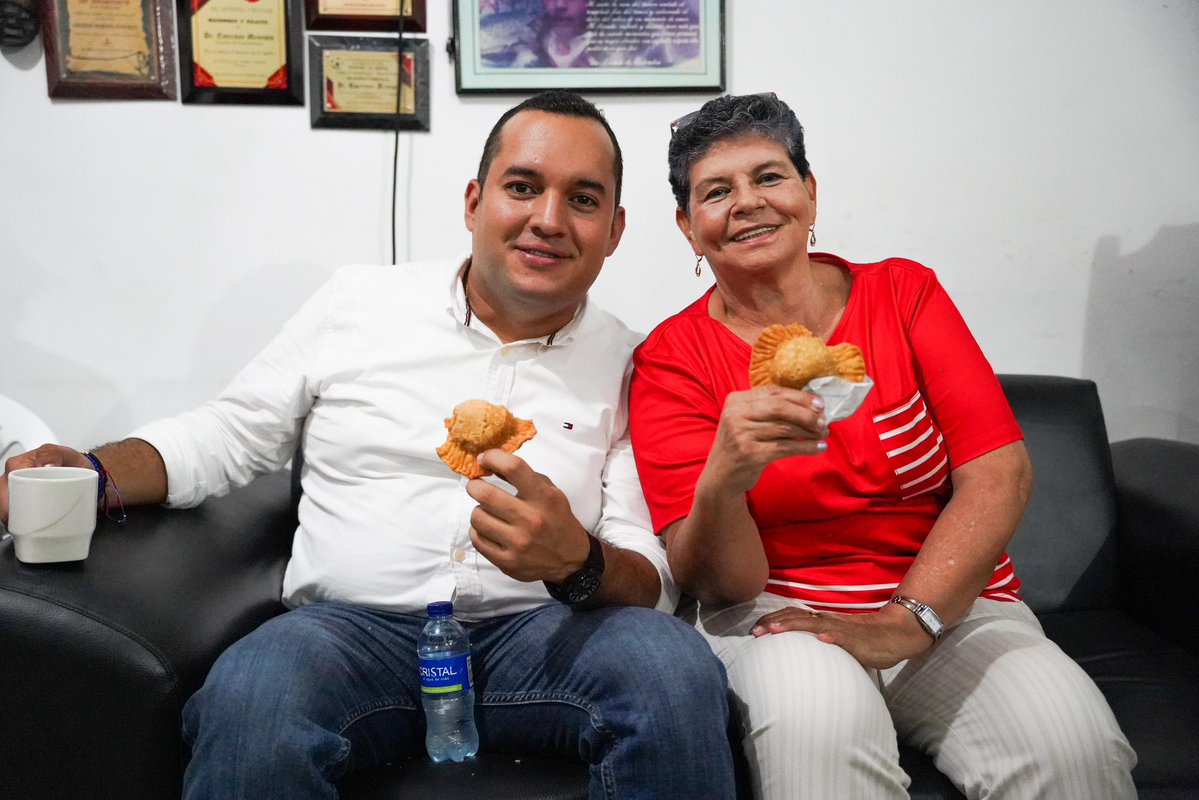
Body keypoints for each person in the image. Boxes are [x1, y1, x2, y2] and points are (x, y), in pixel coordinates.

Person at [0, 91, 737, 800]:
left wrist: (577, 563)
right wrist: (93, 471)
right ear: (474, 201)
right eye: (522, 186)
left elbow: (651, 577)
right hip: (350, 636)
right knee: (257, 692)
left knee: (668, 669)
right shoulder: (357, 306)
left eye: (582, 199)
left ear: (614, 230)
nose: (548, 219)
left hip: (544, 639)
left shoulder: (638, 363)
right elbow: (228, 433)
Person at [628, 92, 1136, 800]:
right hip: (776, 614)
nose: (746, 202)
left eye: (769, 176)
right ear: (688, 228)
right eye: (716, 191)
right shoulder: (670, 359)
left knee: (1069, 742)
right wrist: (725, 477)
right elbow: (723, 585)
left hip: (951, 606)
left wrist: (908, 621)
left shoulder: (903, 294)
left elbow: (998, 473)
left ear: (809, 192)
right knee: (817, 733)